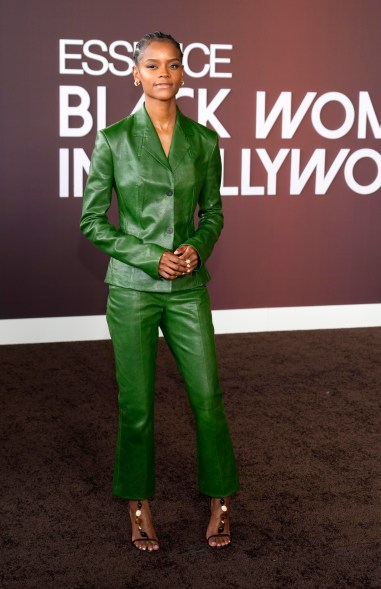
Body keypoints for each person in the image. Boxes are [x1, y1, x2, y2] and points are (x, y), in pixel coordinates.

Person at [80, 31, 240, 551]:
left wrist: (196, 246)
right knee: (137, 405)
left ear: (184, 73)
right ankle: (138, 502)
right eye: (152, 66)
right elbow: (92, 223)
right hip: (131, 289)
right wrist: (151, 256)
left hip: (189, 287)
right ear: (136, 74)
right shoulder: (113, 139)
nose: (163, 74)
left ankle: (220, 500)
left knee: (209, 398)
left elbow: (213, 213)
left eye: (172, 65)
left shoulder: (206, 141)